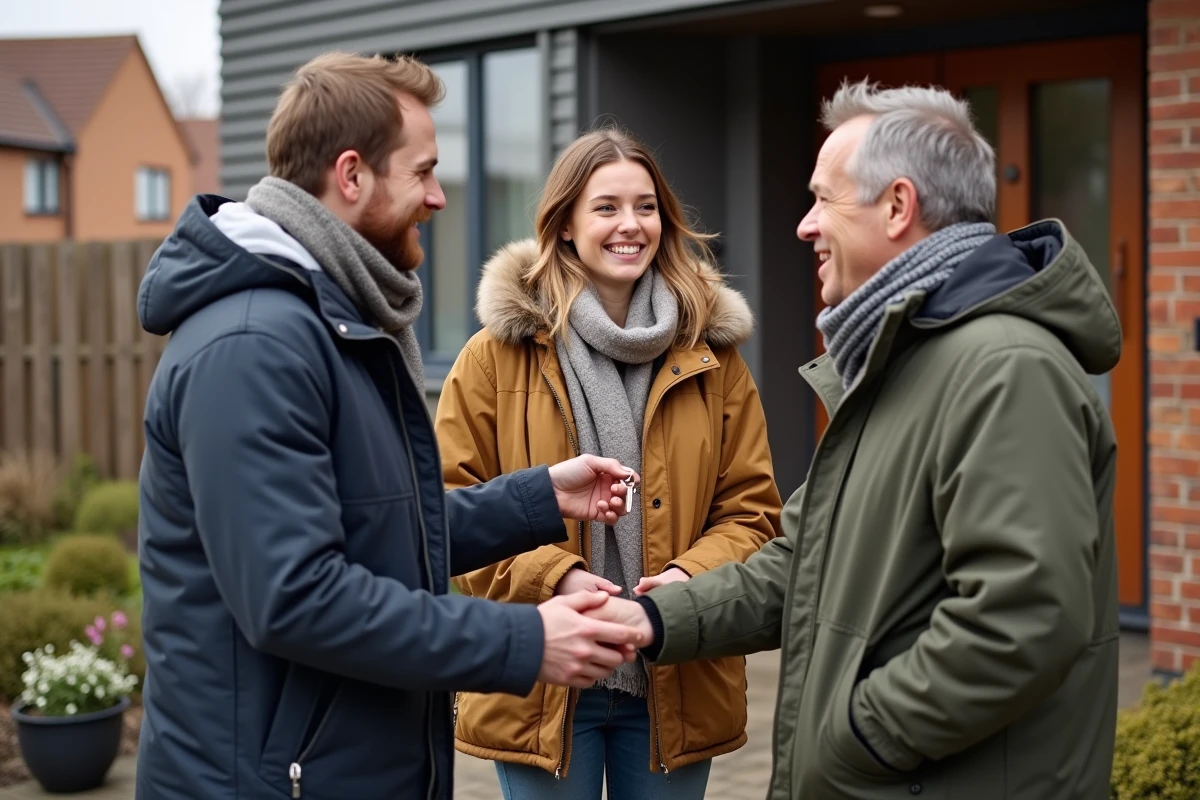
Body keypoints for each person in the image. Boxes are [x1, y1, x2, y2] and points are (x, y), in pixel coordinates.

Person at [134, 52, 650, 800]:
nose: (439, 197)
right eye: (424, 171)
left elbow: (374, 525)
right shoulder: (254, 346)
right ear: (351, 175)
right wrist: (524, 640)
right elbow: (298, 598)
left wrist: (539, 499)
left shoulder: (330, 324)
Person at [587, 79, 1122, 799]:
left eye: (823, 199)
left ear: (898, 206)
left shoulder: (1003, 369)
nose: (805, 226)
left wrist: (853, 736)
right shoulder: (902, 361)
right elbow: (802, 560)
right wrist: (652, 618)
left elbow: (1019, 620)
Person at [433, 127, 783, 799]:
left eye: (646, 206)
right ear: (564, 224)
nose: (631, 225)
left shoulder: (714, 356)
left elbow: (753, 512)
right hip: (541, 675)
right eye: (607, 207)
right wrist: (556, 578)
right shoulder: (494, 355)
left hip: (677, 673)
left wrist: (688, 580)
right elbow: (450, 507)